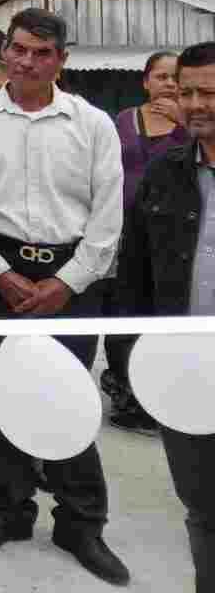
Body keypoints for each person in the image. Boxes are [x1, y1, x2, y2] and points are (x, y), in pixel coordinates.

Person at [0, 7, 130, 585]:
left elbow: (107, 218)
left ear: (62, 59)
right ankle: (8, 510)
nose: (27, 62)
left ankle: (81, 522)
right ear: (5, 49)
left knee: (68, 401)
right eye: (19, 49)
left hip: (71, 279)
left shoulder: (93, 124)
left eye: (42, 53)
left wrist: (67, 282)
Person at [119, 41, 215, 593]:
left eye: (210, 92)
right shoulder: (163, 176)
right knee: (203, 511)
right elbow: (134, 279)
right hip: (184, 375)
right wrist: (139, 363)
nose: (196, 104)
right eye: (188, 92)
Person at [102, 49, 189, 433]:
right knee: (124, 310)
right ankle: (124, 392)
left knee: (164, 310)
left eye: (175, 78)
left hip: (173, 235)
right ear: (145, 81)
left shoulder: (196, 123)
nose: (168, 84)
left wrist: (183, 122)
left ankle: (164, 394)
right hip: (125, 232)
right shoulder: (124, 120)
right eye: (161, 77)